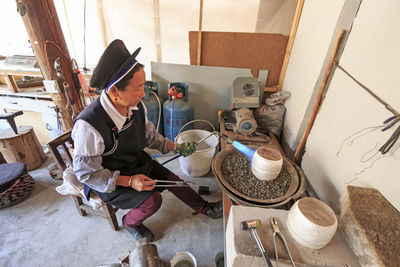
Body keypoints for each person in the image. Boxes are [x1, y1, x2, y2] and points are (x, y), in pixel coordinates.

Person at [71, 39, 222, 242]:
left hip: (135, 163)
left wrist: (174, 146)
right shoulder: (89, 126)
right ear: (115, 92)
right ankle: (130, 223)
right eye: (138, 88)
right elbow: (86, 173)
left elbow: (149, 136)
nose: (143, 93)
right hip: (109, 180)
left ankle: (205, 207)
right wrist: (129, 181)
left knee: (174, 179)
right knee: (153, 201)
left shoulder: (136, 107)